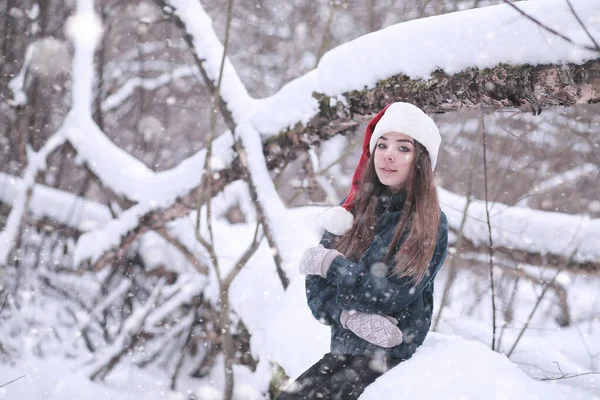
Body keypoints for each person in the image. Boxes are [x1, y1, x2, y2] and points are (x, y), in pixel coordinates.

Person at [275, 102, 449, 400]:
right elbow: (315, 291)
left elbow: (388, 295)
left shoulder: (427, 222)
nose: (389, 155)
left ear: (421, 160)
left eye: (403, 148)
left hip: (388, 360)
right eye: (381, 145)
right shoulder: (353, 208)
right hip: (343, 351)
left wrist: (333, 265)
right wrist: (349, 318)